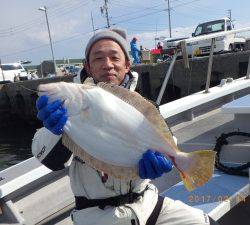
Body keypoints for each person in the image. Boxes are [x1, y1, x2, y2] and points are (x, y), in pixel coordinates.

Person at [32, 28, 218, 225]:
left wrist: (166, 159)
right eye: (98, 59)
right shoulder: (67, 106)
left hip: (148, 204)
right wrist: (55, 131)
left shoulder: (145, 106)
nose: (108, 65)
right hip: (96, 216)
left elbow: (166, 142)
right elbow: (51, 161)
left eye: (115, 57)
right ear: (87, 66)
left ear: (127, 64)